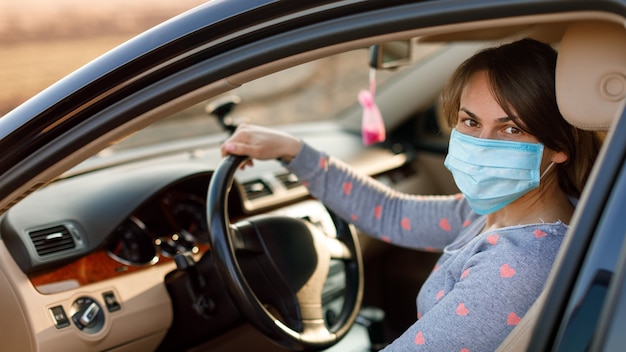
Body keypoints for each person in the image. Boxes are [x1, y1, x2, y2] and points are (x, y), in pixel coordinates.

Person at [221, 38, 603, 351]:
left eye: (511, 129)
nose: (482, 143)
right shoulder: (497, 213)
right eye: (470, 121)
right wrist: (293, 152)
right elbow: (390, 213)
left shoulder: (518, 265)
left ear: (559, 146)